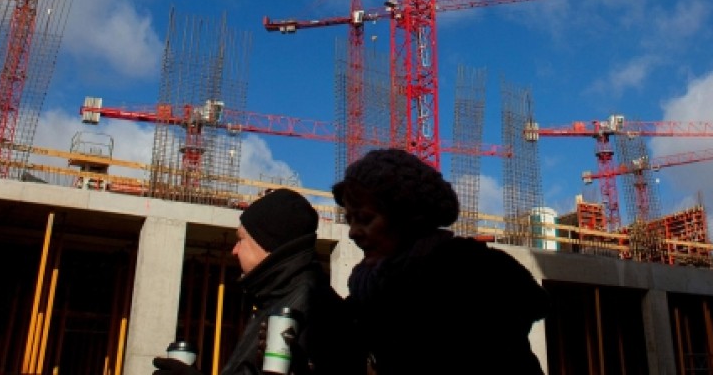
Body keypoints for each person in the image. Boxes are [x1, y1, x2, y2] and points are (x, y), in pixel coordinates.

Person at [333, 148, 550, 375]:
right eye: (350, 221)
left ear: (406, 217)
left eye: (365, 219)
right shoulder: (372, 287)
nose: (353, 233)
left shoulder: (469, 274)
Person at [153, 187, 353, 375]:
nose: (235, 250)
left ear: (267, 244)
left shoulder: (303, 305)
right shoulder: (280, 297)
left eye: (241, 239)